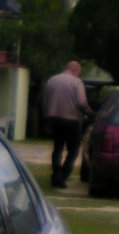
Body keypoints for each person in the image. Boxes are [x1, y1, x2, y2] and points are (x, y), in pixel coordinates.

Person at [42, 61, 94, 189]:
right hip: (72, 122)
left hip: (55, 120)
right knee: (73, 151)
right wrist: (91, 113)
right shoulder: (76, 82)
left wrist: (47, 119)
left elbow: (45, 101)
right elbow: (82, 103)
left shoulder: (52, 80)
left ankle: (56, 173)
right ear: (76, 71)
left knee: (57, 148)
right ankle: (62, 175)